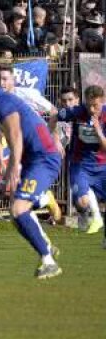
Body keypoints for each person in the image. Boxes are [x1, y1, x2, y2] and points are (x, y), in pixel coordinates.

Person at [0, 65, 63, 279]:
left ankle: (48, 261)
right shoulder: (2, 100)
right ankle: (46, 248)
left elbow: (15, 134)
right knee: (17, 212)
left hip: (43, 159)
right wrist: (5, 180)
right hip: (35, 159)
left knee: (18, 209)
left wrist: (13, 168)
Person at [55, 85, 106, 239]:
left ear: (102, 102)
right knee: (82, 202)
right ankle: (95, 218)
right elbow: (53, 116)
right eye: (88, 105)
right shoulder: (77, 112)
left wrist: (98, 131)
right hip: (80, 163)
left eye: (95, 105)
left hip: (102, 165)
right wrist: (55, 139)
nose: (91, 109)